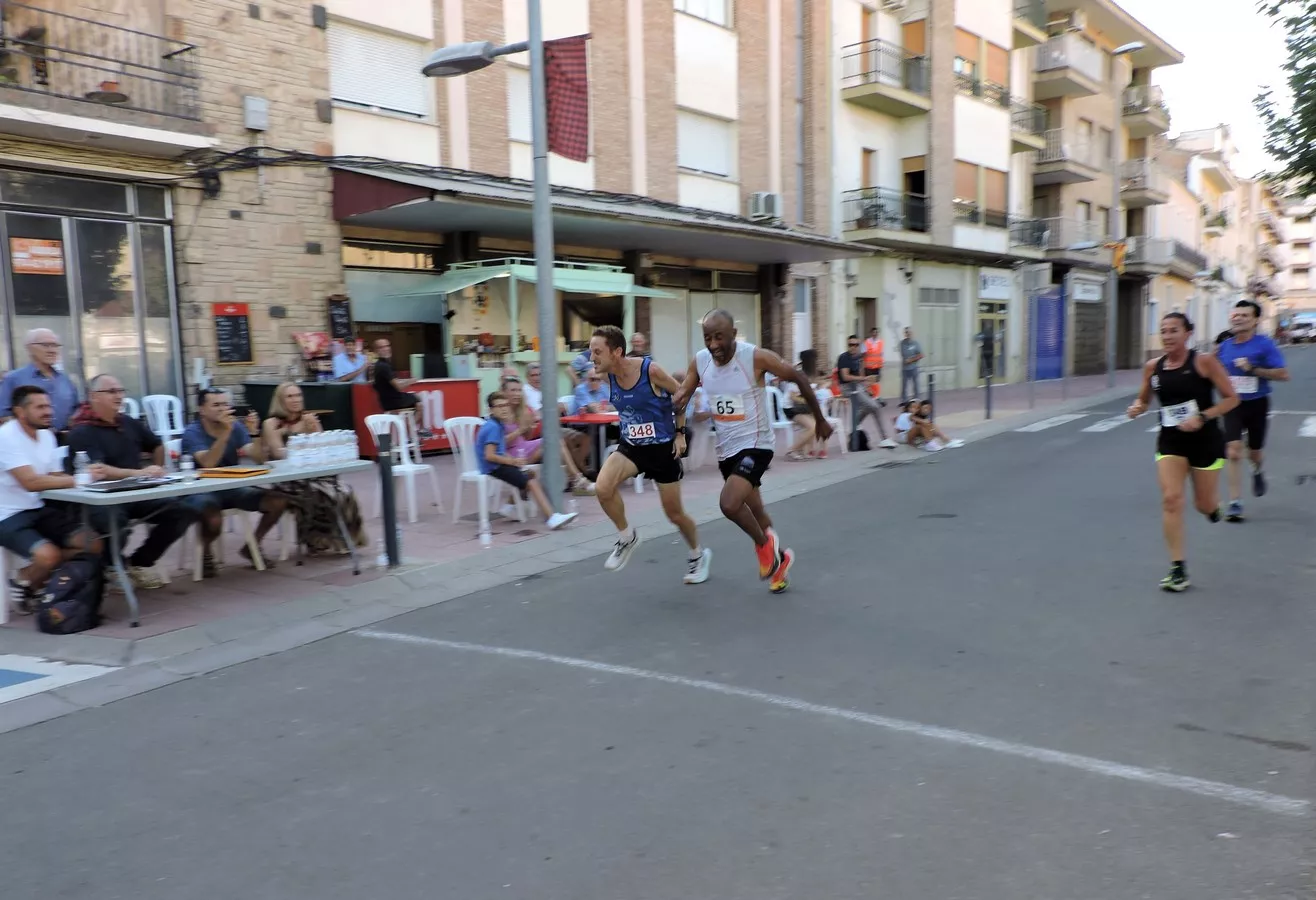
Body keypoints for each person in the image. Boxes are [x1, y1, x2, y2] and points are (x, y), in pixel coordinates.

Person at [674, 309, 832, 593]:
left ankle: (764, 547)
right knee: (756, 511)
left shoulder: (754, 357)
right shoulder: (700, 361)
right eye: (707, 338)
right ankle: (779, 562)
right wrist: (677, 406)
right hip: (727, 450)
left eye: (719, 337)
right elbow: (683, 392)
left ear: (734, 334)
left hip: (757, 445)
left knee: (730, 504)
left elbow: (796, 375)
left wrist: (819, 419)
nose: (713, 345)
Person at [588, 325, 710, 584]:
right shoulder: (606, 375)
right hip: (632, 446)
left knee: (674, 514)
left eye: (597, 351)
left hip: (662, 449)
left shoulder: (649, 370)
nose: (592, 358)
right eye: (591, 352)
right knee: (602, 487)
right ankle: (626, 537)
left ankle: (697, 554)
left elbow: (681, 397)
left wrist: (680, 433)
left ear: (617, 352)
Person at [1127, 312, 1239, 592]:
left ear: (1188, 333)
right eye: (1163, 331)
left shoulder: (1204, 362)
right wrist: (1137, 407)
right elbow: (1143, 398)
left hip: (1205, 440)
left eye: (1173, 330)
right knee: (1171, 499)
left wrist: (1202, 417)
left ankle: (1213, 509)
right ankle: (1178, 568)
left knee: (1203, 504)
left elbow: (1232, 399)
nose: (1167, 336)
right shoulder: (1153, 367)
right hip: (1171, 441)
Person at [66, 374, 198, 590]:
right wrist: (138, 473)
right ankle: (111, 566)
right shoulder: (82, 430)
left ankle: (138, 562)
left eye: (121, 391)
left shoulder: (127, 422)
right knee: (116, 522)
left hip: (137, 490)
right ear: (93, 396)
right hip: (101, 498)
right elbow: (99, 471)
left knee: (183, 510)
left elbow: (156, 445)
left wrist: (158, 470)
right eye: (112, 392)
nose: (119, 396)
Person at [0, 386, 104, 613]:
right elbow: (31, 482)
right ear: (20, 411)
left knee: (93, 544)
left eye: (48, 406)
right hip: (6, 515)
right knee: (49, 556)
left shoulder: (47, 435)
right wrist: (79, 480)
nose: (48, 411)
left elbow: (54, 476)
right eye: (40, 407)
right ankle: (27, 581)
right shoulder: (6, 437)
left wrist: (91, 478)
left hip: (37, 507)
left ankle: (32, 578)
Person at [181, 388, 288, 577]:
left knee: (278, 501)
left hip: (233, 487)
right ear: (202, 410)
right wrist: (225, 433)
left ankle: (252, 545)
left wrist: (254, 433)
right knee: (213, 518)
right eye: (216, 405)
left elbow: (259, 459)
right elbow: (208, 463)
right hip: (201, 489)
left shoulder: (235, 427)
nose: (222, 409)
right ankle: (206, 552)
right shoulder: (192, 432)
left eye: (225, 404)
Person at [261, 382, 366, 556]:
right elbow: (278, 453)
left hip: (313, 474)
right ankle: (316, 540)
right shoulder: (271, 424)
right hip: (287, 479)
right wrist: (298, 433)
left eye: (298, 395)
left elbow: (322, 445)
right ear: (280, 400)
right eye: (290, 396)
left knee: (345, 491)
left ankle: (345, 539)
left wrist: (314, 429)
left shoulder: (308, 419)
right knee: (322, 494)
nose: (296, 400)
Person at [1215, 299, 1288, 522]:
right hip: (1232, 404)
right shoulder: (1224, 346)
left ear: (1256, 320)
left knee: (1254, 452)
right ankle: (1235, 502)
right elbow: (1211, 371)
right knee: (1234, 450)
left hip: (1257, 403)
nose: (1237, 318)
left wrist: (1253, 369)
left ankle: (1257, 470)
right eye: (1235, 315)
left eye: (1244, 315)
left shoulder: (1265, 345)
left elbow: (1284, 374)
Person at [478, 391, 577, 530]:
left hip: (497, 464)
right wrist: (512, 462)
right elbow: (489, 455)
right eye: (499, 406)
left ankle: (510, 507)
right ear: (491, 410)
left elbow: (500, 449)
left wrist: (513, 459)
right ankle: (552, 518)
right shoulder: (493, 427)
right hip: (493, 467)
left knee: (529, 473)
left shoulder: (497, 424)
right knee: (531, 482)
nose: (504, 408)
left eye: (505, 405)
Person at [0, 328, 79, 437]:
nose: (52, 350)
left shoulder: (65, 380)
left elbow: (76, 410)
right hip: (29, 443)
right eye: (46, 345)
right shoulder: (13, 379)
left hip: (65, 442)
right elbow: (4, 415)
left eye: (55, 345)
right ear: (30, 348)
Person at [837, 334, 897, 449]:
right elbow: (845, 377)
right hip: (847, 388)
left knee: (875, 407)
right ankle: (857, 425)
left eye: (855, 345)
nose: (853, 347)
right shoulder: (844, 357)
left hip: (857, 386)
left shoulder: (859, 358)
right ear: (847, 345)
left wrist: (866, 386)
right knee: (873, 406)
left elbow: (861, 374)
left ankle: (883, 438)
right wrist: (863, 379)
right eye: (851, 345)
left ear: (859, 346)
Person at [899, 327, 923, 403]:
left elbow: (921, 355)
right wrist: (909, 359)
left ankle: (916, 399)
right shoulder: (902, 343)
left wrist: (911, 360)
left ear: (912, 333)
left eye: (909, 332)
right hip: (905, 369)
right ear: (905, 334)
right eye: (906, 332)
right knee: (904, 386)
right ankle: (904, 400)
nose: (908, 334)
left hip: (914, 368)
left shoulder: (916, 343)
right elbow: (903, 354)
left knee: (915, 385)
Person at [862, 327, 884, 402]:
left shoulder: (880, 342)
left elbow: (882, 354)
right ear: (871, 333)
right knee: (868, 383)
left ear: (878, 333)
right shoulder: (866, 342)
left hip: (877, 366)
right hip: (868, 366)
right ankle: (868, 397)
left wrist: (882, 364)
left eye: (876, 332)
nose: (875, 334)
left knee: (876, 383)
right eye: (873, 332)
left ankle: (876, 397)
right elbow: (863, 354)